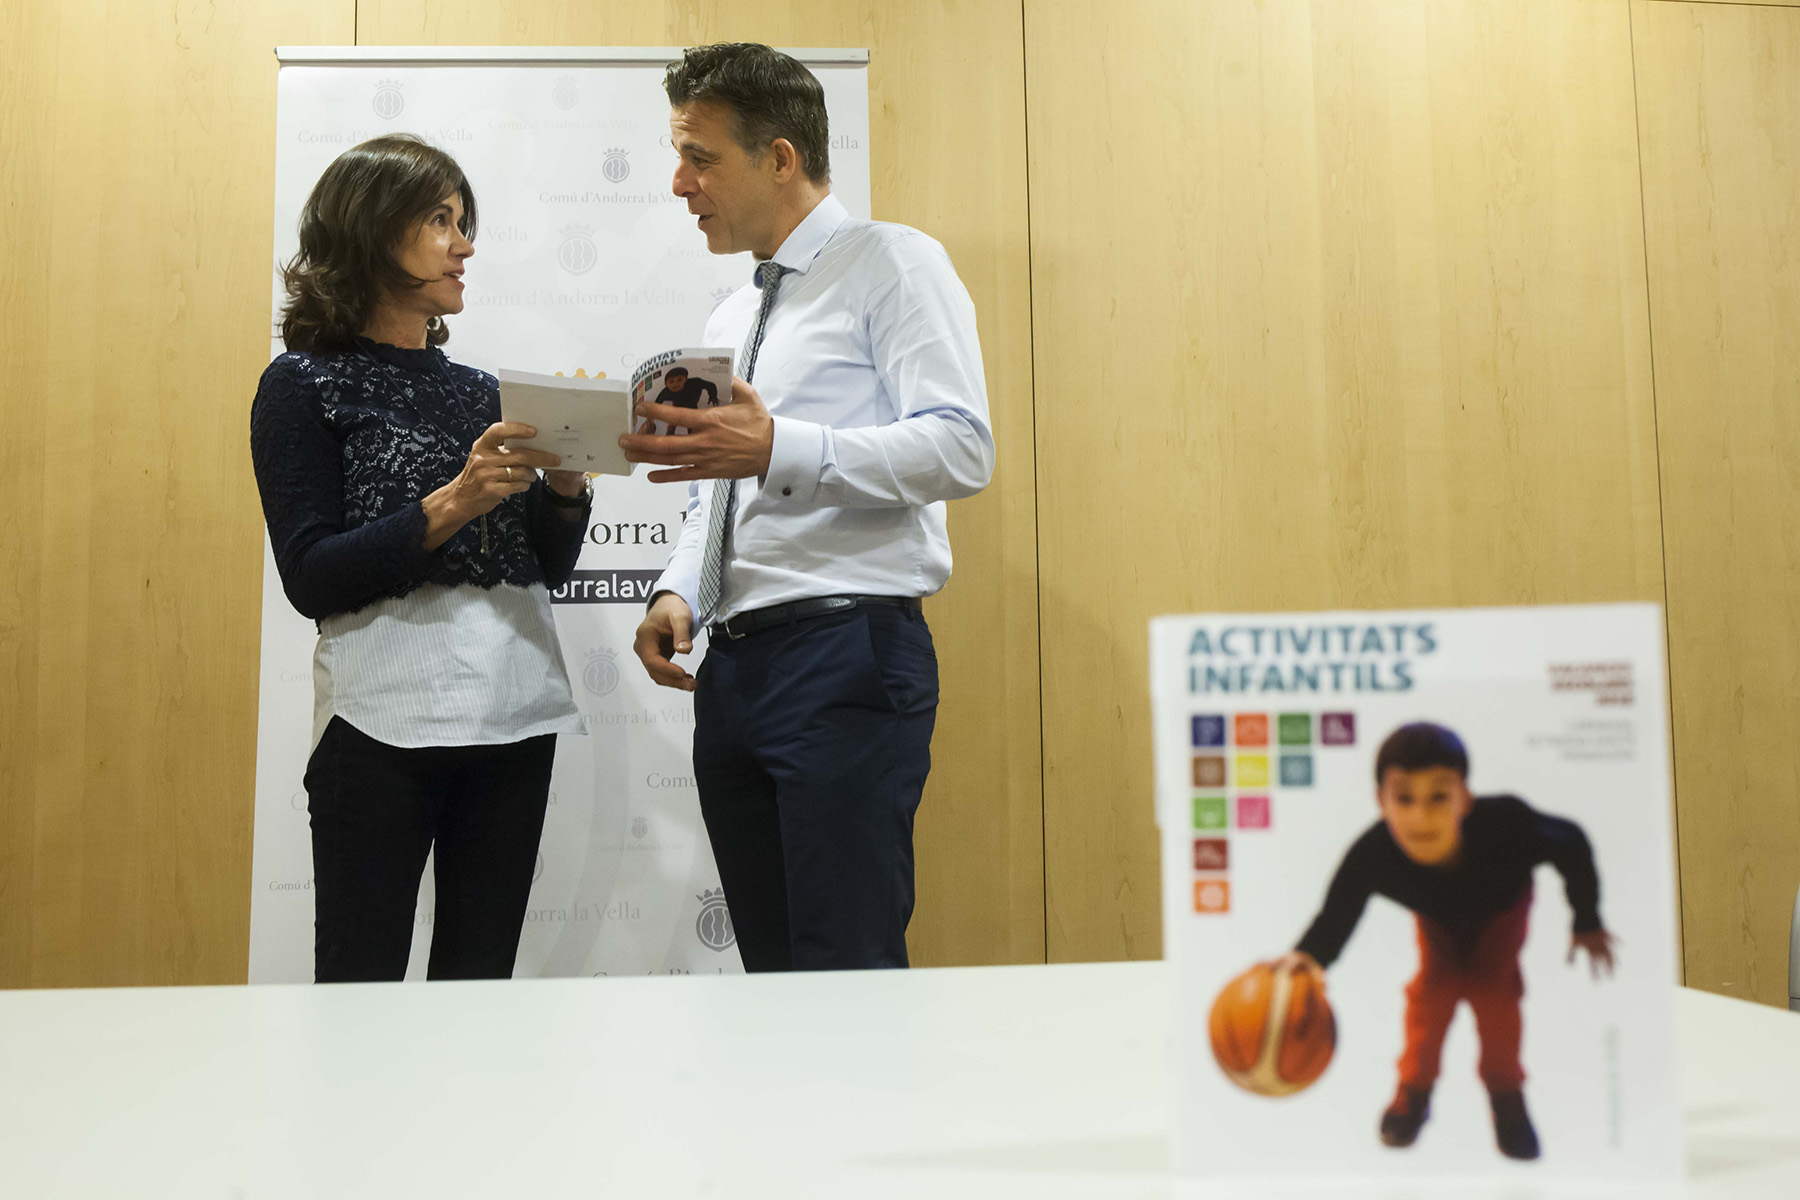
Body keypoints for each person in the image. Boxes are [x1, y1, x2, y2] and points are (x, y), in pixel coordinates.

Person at [622, 43, 994, 972]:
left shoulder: (893, 263)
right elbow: (720, 491)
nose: (680, 183)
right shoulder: (729, 317)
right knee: (774, 978)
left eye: (700, 157)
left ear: (781, 158)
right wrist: (678, 591)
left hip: (846, 655)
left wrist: (780, 447)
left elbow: (962, 447)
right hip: (734, 670)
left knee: (845, 968)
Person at [250, 134, 593, 983]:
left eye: (465, 223)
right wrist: (453, 503)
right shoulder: (302, 383)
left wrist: (566, 487)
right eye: (441, 220)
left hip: (516, 715)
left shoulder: (484, 392)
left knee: (478, 992)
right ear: (371, 228)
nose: (464, 245)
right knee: (359, 991)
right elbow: (311, 576)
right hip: (381, 723)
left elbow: (544, 569)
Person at [1282, 723, 1616, 1161]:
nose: (1421, 817)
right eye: (1404, 798)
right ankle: (1413, 1090)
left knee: (1494, 996)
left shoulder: (1509, 827)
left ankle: (1507, 1096)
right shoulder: (1374, 853)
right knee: (1431, 996)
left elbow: (1571, 841)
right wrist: (1307, 960)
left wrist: (1586, 918)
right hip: (1438, 921)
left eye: (1438, 796)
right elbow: (1338, 912)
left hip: (1501, 913)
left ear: (1464, 798)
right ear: (1381, 801)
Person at [651, 366, 719, 435]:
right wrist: (651, 418)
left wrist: (713, 396)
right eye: (671, 382)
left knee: (691, 424)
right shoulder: (666, 391)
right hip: (677, 407)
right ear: (666, 384)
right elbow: (657, 403)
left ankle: (692, 437)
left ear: (686, 379)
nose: (675, 384)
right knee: (672, 424)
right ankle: (669, 436)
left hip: (691, 406)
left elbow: (710, 385)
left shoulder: (695, 383)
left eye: (679, 380)